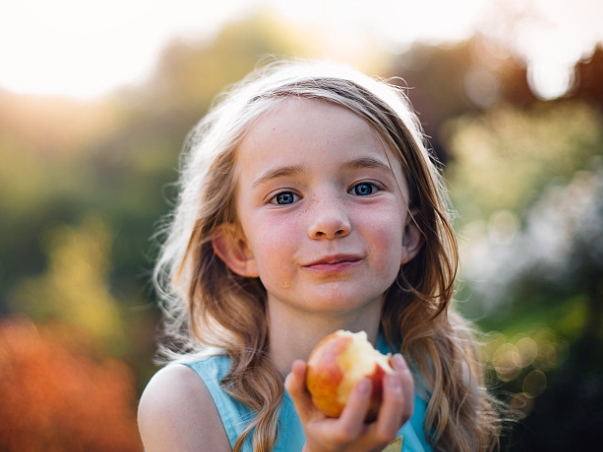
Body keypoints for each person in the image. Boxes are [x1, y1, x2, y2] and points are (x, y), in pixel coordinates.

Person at [137, 59, 504, 452]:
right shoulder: (186, 402)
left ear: (410, 234)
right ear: (240, 249)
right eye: (285, 197)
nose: (329, 221)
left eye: (363, 188)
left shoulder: (441, 379)